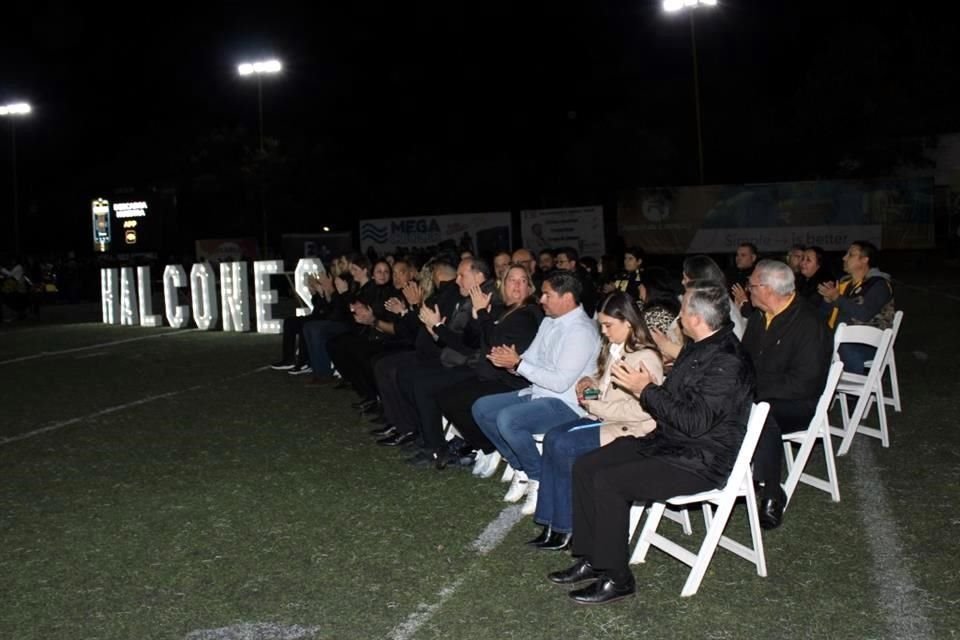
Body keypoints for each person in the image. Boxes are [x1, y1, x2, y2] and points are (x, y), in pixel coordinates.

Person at [547, 280, 755, 605]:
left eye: (682, 310)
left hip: (699, 460)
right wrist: (648, 387)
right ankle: (592, 557)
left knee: (609, 481)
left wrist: (645, 389)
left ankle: (617, 577)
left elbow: (693, 422)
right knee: (587, 465)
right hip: (671, 443)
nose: (677, 318)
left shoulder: (727, 360)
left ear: (696, 318)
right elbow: (677, 404)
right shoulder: (701, 346)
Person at [529, 292, 663, 550]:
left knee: (564, 445)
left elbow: (643, 411)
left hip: (631, 430)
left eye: (608, 325)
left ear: (628, 323)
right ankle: (552, 522)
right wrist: (590, 382)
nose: (603, 330)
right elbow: (604, 384)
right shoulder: (616, 349)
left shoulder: (645, 357)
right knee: (553, 438)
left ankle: (567, 526)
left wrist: (597, 405)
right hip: (607, 420)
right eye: (601, 324)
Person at [472, 271, 601, 513]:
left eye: (547, 294)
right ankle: (520, 468)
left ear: (567, 298)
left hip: (568, 404)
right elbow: (530, 358)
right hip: (539, 393)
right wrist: (512, 364)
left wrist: (519, 365)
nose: (540, 299)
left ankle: (539, 478)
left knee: (509, 419)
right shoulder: (550, 321)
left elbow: (560, 383)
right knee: (482, 409)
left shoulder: (580, 331)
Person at [740, 260, 831, 529]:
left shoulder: (809, 323)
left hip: (798, 405)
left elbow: (804, 383)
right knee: (751, 409)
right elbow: (745, 359)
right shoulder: (760, 317)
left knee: (760, 413)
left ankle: (770, 490)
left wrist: (755, 391)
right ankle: (761, 485)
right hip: (763, 399)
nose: (748, 291)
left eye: (752, 285)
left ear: (767, 289)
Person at [817, 241, 895, 374]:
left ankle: (852, 391)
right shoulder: (844, 283)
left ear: (864, 260)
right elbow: (823, 316)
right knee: (807, 341)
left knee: (843, 348)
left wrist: (837, 298)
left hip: (868, 343)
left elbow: (863, 314)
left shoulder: (879, 285)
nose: (844, 258)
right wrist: (827, 300)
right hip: (840, 338)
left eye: (850, 255)